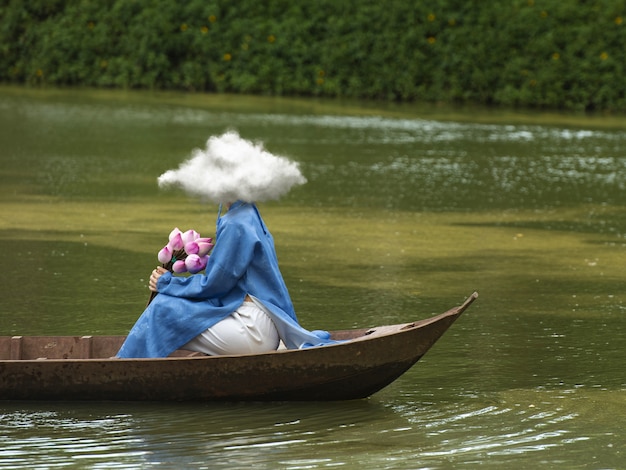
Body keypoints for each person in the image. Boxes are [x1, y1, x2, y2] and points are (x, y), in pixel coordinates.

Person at [117, 131, 335, 358]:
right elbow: (235, 272)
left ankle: (123, 367)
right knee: (167, 307)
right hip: (258, 322)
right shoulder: (247, 211)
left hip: (252, 329)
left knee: (161, 309)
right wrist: (206, 265)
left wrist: (167, 283)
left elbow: (215, 286)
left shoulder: (236, 223)